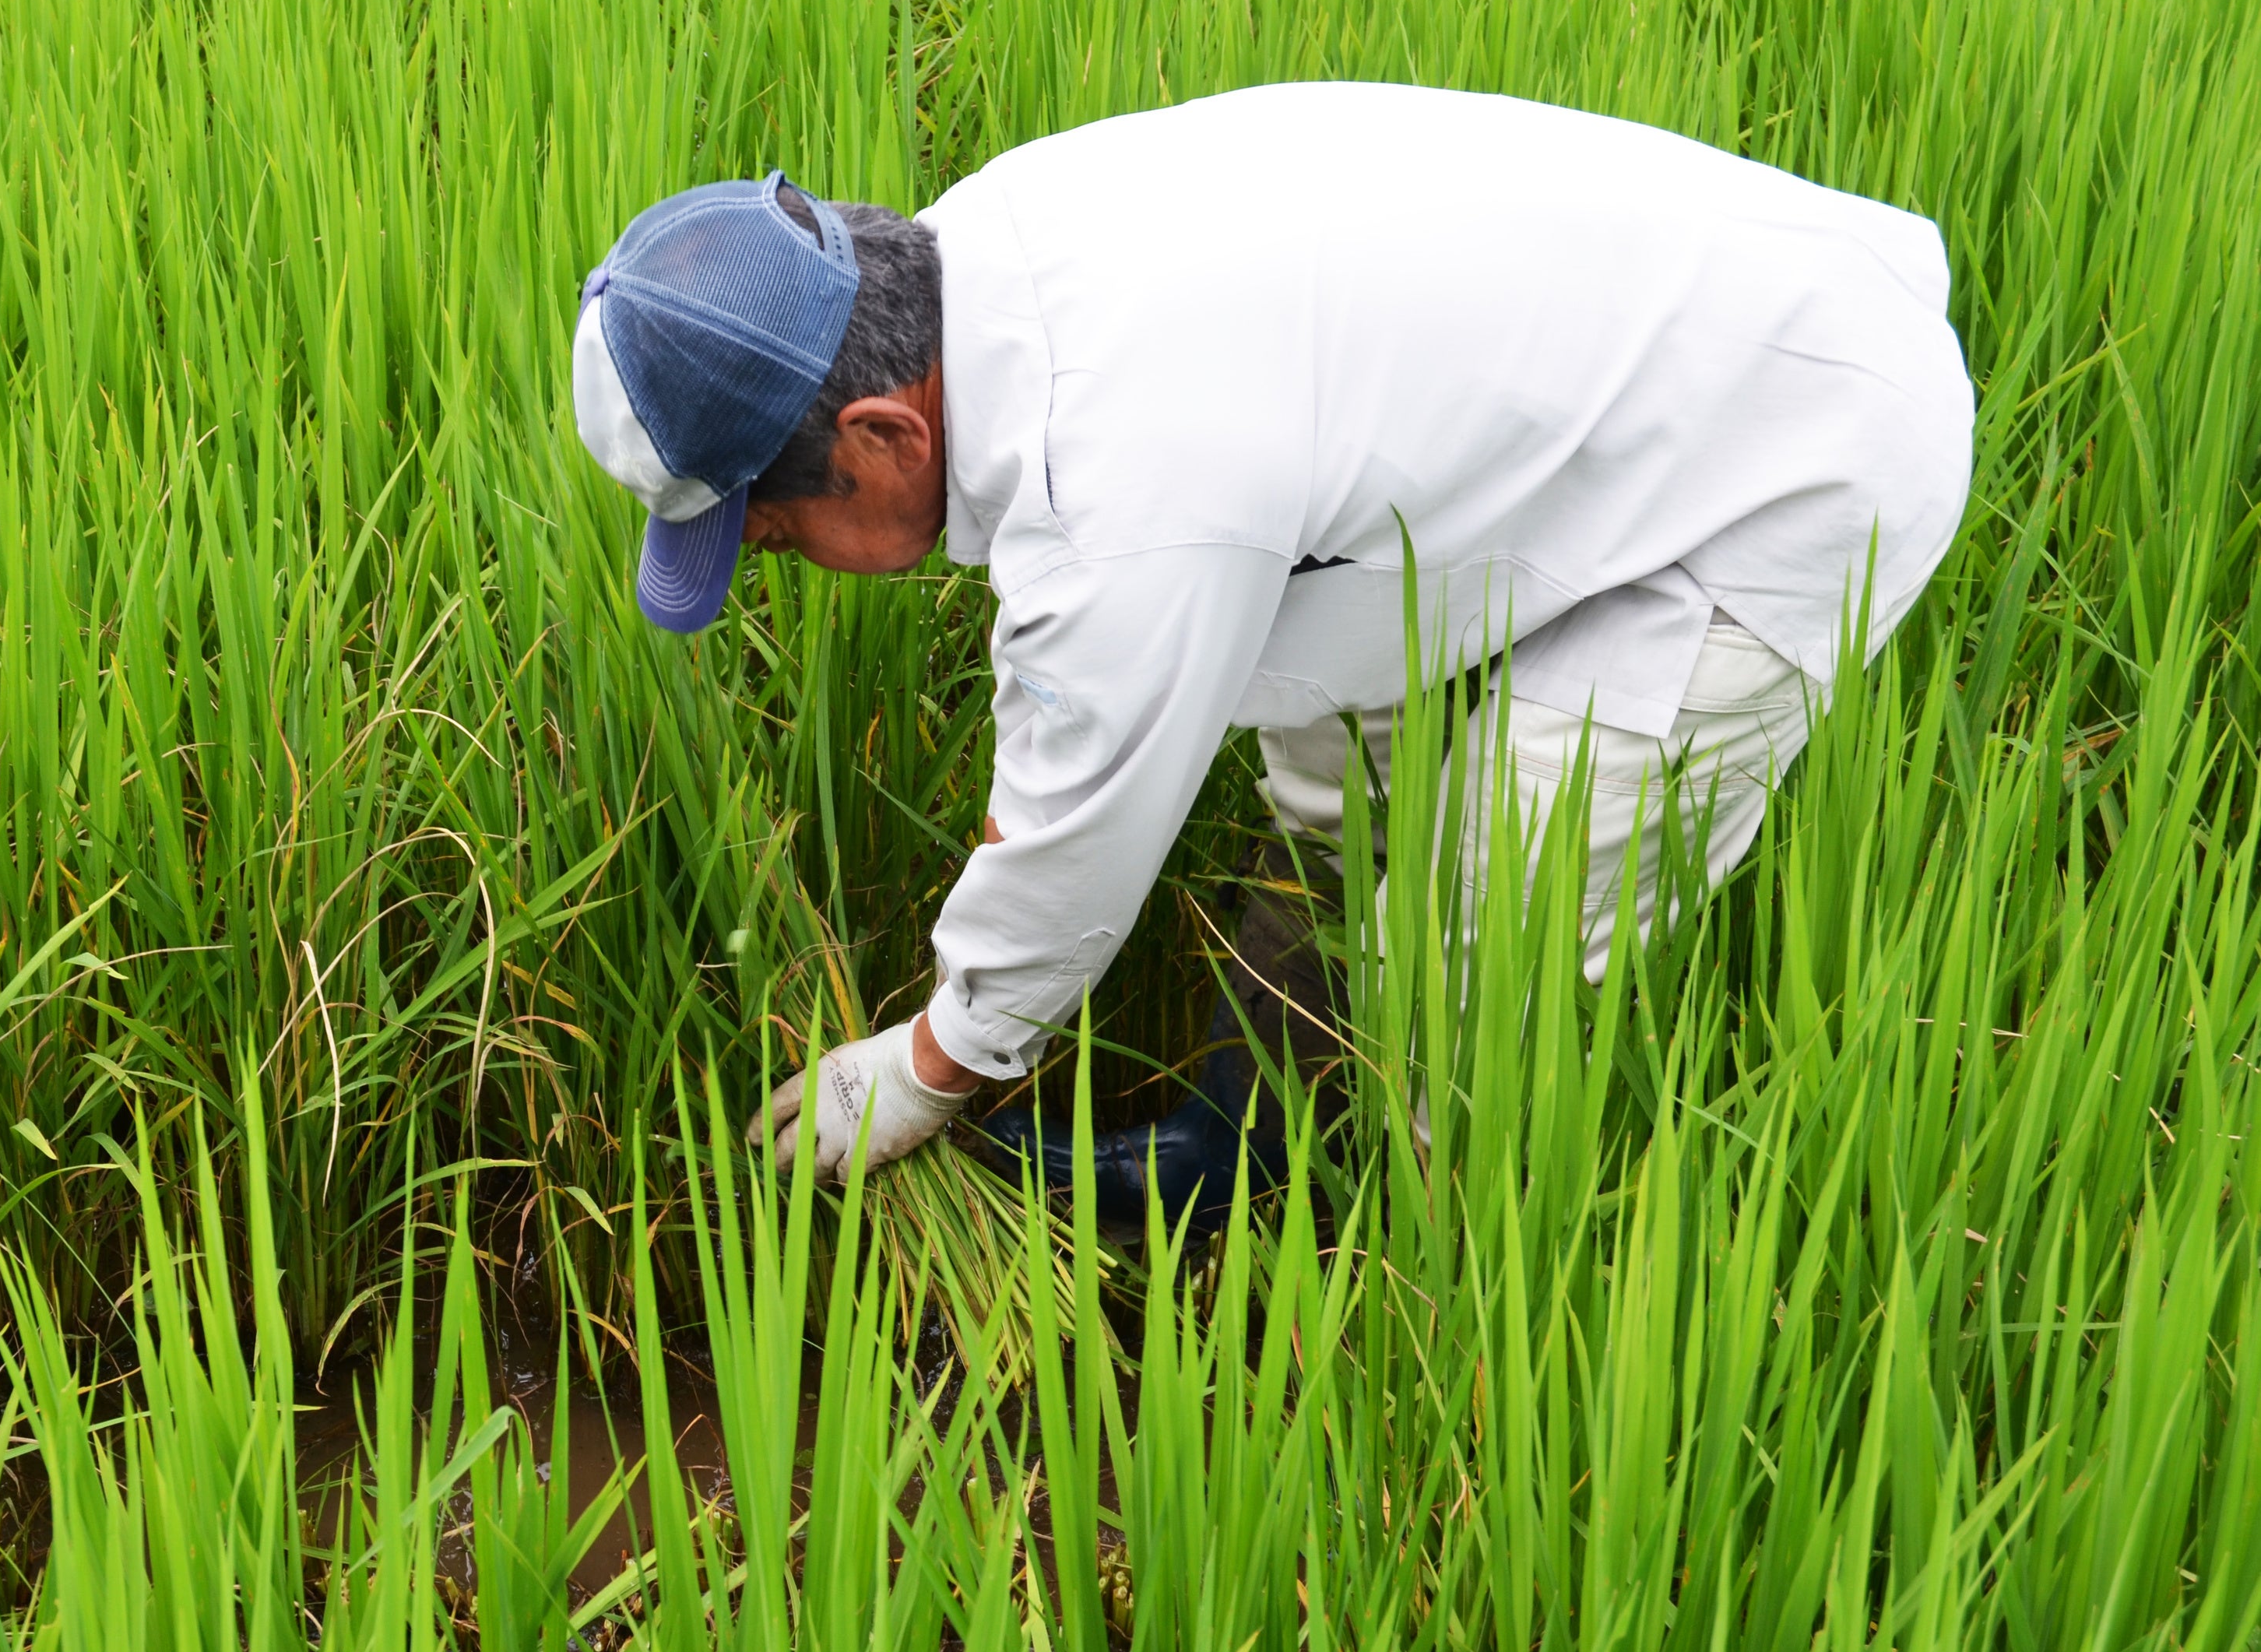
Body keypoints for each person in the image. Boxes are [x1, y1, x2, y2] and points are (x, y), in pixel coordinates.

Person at [568, 83, 1972, 1204]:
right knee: (1327, 778)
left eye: (764, 527)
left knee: (1496, 923)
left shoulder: (1121, 476)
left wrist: (932, 1068)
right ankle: (1253, 1133)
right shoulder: (982, 257)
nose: (768, 560)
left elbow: (1076, 830)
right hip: (1612, 371)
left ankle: (1435, 1327)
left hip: (1792, 449)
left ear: (884, 438)